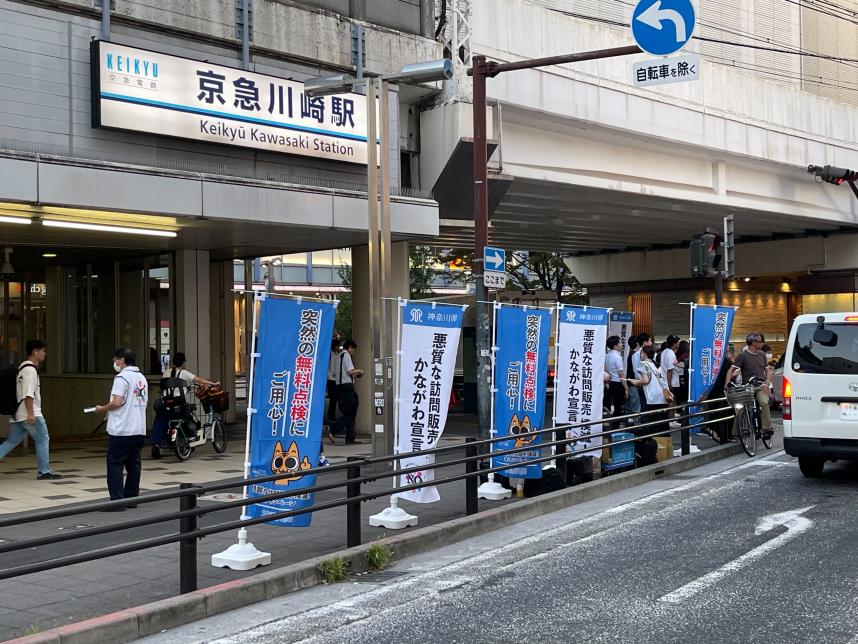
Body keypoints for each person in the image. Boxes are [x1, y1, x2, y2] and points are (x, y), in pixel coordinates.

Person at [95, 348, 149, 509]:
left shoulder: (122, 378)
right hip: (138, 428)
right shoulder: (141, 378)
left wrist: (101, 408)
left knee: (115, 464)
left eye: (116, 359)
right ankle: (131, 499)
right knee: (134, 465)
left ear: (123, 360)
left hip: (122, 429)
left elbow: (117, 402)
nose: (115, 363)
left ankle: (117, 501)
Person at [0, 340, 61, 479]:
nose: (44, 353)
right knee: (43, 439)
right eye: (43, 351)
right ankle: (44, 471)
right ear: (35, 351)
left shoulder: (22, 367)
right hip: (29, 412)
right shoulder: (30, 370)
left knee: (11, 441)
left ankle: (44, 470)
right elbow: (28, 393)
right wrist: (31, 414)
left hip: (18, 413)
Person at [150, 352, 219, 458]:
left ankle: (155, 444)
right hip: (179, 405)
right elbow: (199, 379)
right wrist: (213, 383)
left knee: (160, 419)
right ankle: (188, 439)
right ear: (183, 362)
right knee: (190, 416)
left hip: (166, 404)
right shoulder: (184, 373)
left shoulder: (166, 372)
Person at [626, 344, 673, 465]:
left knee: (651, 426)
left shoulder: (644, 364)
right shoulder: (655, 365)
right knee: (662, 426)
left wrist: (635, 382)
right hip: (662, 398)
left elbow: (645, 381)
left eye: (641, 353)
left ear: (644, 353)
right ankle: (666, 451)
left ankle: (652, 454)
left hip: (652, 400)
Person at [725, 333, 774, 440]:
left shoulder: (761, 354)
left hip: (760, 385)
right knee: (741, 408)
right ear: (753, 342)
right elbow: (731, 370)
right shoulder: (743, 355)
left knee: (764, 403)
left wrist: (767, 382)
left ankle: (766, 428)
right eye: (760, 341)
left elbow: (767, 370)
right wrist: (727, 383)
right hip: (747, 386)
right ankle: (736, 432)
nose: (762, 343)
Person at [327, 339, 364, 444]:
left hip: (339, 386)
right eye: (353, 350)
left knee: (350, 411)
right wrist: (360, 371)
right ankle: (333, 430)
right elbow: (350, 371)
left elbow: (335, 372)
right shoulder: (346, 355)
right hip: (347, 387)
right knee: (351, 412)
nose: (353, 352)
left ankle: (350, 437)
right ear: (350, 347)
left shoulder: (339, 356)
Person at [604, 335, 628, 430]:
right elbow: (621, 375)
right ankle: (615, 428)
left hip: (609, 383)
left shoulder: (607, 355)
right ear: (615, 345)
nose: (621, 345)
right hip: (618, 384)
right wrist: (626, 388)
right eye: (620, 343)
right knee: (619, 408)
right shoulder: (617, 357)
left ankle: (613, 426)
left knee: (613, 406)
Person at [659, 335, 681, 427]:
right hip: (672, 381)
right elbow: (670, 370)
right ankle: (671, 420)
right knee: (673, 400)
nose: (679, 344)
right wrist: (669, 383)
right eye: (678, 343)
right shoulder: (671, 353)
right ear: (674, 344)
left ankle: (670, 418)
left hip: (665, 380)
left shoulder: (664, 352)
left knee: (669, 400)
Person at [631, 333, 653, 414]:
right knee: (647, 406)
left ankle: (644, 424)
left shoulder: (634, 355)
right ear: (645, 342)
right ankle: (646, 424)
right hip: (646, 383)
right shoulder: (646, 354)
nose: (651, 343)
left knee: (643, 405)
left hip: (639, 383)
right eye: (650, 341)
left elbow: (635, 371)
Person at [625, 335, 641, 424]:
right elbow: (637, 371)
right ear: (637, 343)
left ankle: (633, 427)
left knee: (633, 406)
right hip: (634, 383)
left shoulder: (631, 354)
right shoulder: (635, 355)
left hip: (631, 383)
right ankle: (637, 427)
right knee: (636, 407)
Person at [326, 337, 341, 423]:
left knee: (335, 398)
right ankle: (331, 415)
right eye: (337, 346)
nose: (338, 347)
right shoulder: (330, 354)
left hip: (336, 378)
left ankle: (332, 415)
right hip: (331, 378)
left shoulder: (337, 353)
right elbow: (331, 367)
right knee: (333, 398)